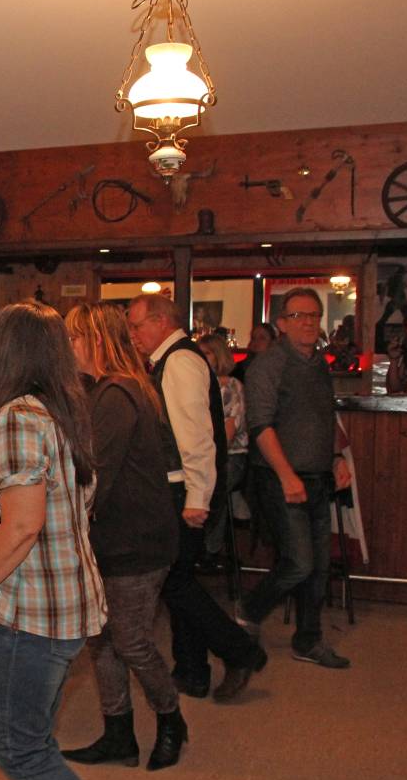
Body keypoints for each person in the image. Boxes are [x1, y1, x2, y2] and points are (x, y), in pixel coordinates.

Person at [0, 301, 168, 780]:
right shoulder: (63, 413)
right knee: (34, 748)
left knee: (17, 752)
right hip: (63, 606)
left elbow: (22, 525)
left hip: (31, 614)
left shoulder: (18, 418)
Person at [58, 303, 185, 772]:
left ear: (95, 340)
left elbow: (94, 477)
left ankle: (171, 719)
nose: (67, 347)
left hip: (136, 542)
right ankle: (118, 734)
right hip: (116, 539)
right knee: (103, 640)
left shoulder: (116, 393)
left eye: (73, 337)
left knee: (129, 641)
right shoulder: (108, 389)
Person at [126, 294, 265, 703]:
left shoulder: (180, 362)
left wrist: (197, 498)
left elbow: (198, 438)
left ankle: (241, 652)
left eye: (136, 325)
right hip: (179, 486)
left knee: (174, 581)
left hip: (182, 488)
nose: (132, 334)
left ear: (161, 321)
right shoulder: (172, 360)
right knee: (178, 580)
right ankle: (192, 670)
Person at [238, 287, 354, 669]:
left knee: (318, 567)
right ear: (282, 324)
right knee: (300, 563)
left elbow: (324, 417)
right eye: (297, 316)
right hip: (279, 478)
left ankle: (308, 640)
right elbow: (260, 426)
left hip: (318, 476)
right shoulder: (267, 365)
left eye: (313, 316)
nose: (307, 322)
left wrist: (335, 457)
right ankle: (249, 610)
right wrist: (287, 475)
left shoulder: (318, 363)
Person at [199, 333, 248, 569]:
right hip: (207, 455)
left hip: (231, 457)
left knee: (212, 485)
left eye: (206, 353)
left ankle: (210, 548)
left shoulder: (231, 387)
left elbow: (227, 435)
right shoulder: (199, 385)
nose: (201, 357)